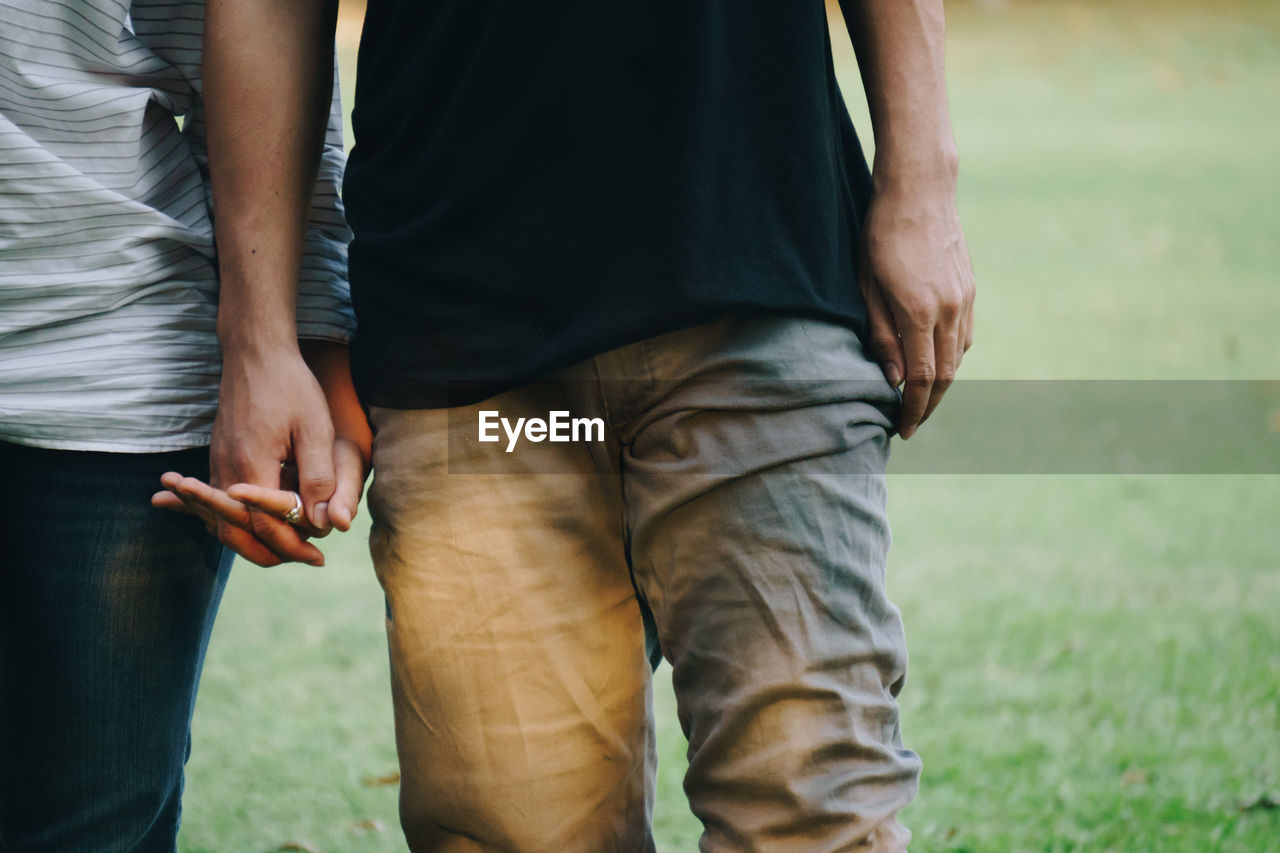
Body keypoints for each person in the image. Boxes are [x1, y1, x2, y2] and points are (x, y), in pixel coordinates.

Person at [182, 0, 976, 849]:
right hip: (465, 344)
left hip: (759, 280)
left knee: (815, 819)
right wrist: (257, 339)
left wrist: (922, 178)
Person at [0, 1, 364, 849]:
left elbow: (267, 29)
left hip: (109, 363)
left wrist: (297, 343)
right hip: (117, 359)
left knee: (90, 822)